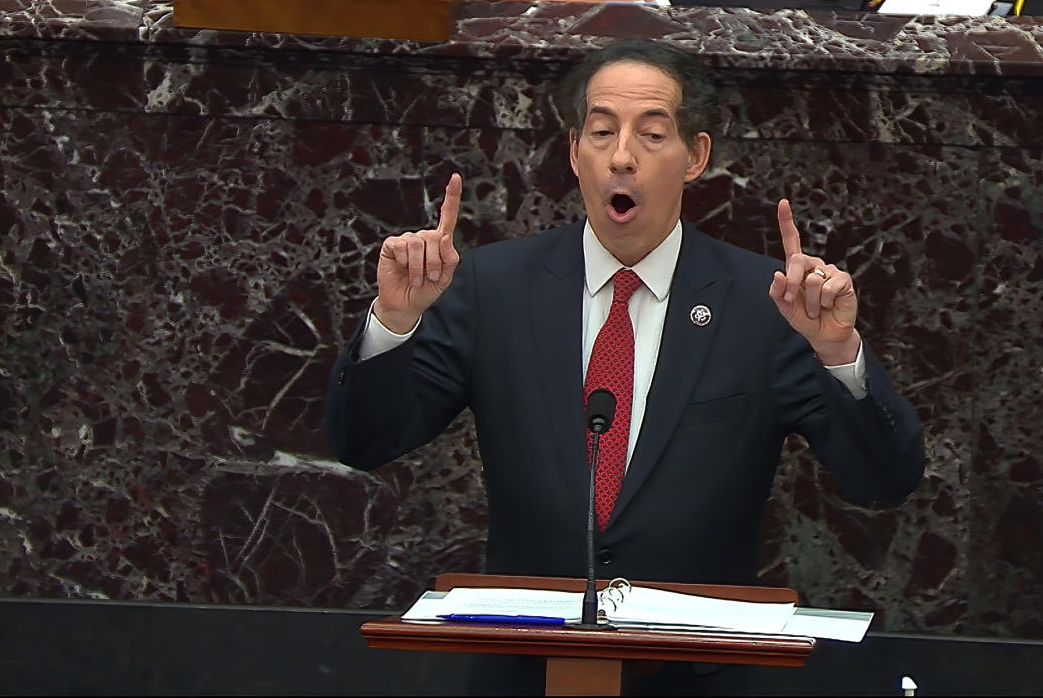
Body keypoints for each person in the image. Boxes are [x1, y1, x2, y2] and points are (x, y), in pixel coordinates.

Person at [326, 38, 924, 693]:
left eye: (651, 133)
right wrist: (395, 321)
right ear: (574, 151)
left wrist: (837, 352)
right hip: (525, 671)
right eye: (602, 130)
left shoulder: (766, 305)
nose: (621, 156)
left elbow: (884, 477)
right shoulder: (492, 288)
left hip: (700, 677)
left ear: (695, 155)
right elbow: (364, 440)